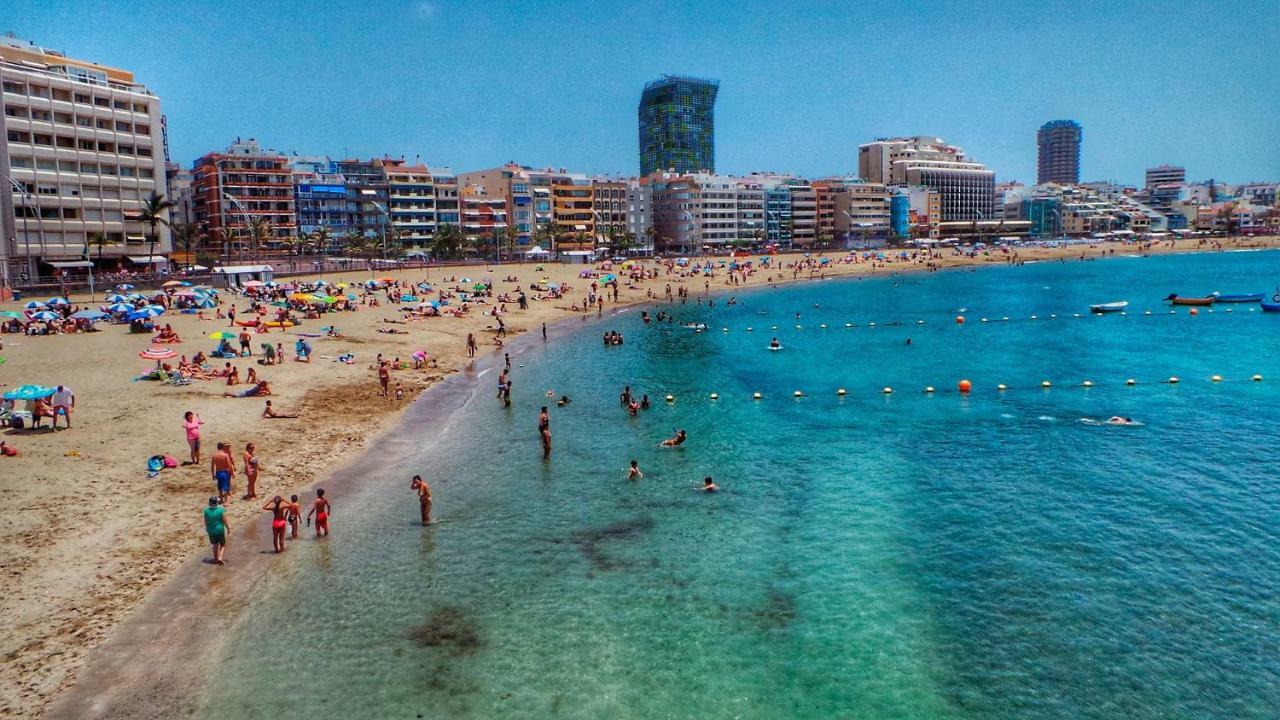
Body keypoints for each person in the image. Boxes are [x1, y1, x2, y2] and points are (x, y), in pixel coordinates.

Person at [204, 497, 229, 565]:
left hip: (211, 530)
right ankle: (220, 557)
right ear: (216, 503)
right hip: (219, 530)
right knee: (223, 545)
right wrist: (228, 528)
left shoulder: (206, 511)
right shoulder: (220, 510)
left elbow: (206, 521)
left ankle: (215, 559)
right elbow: (224, 520)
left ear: (209, 503)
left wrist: (207, 528)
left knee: (215, 544)